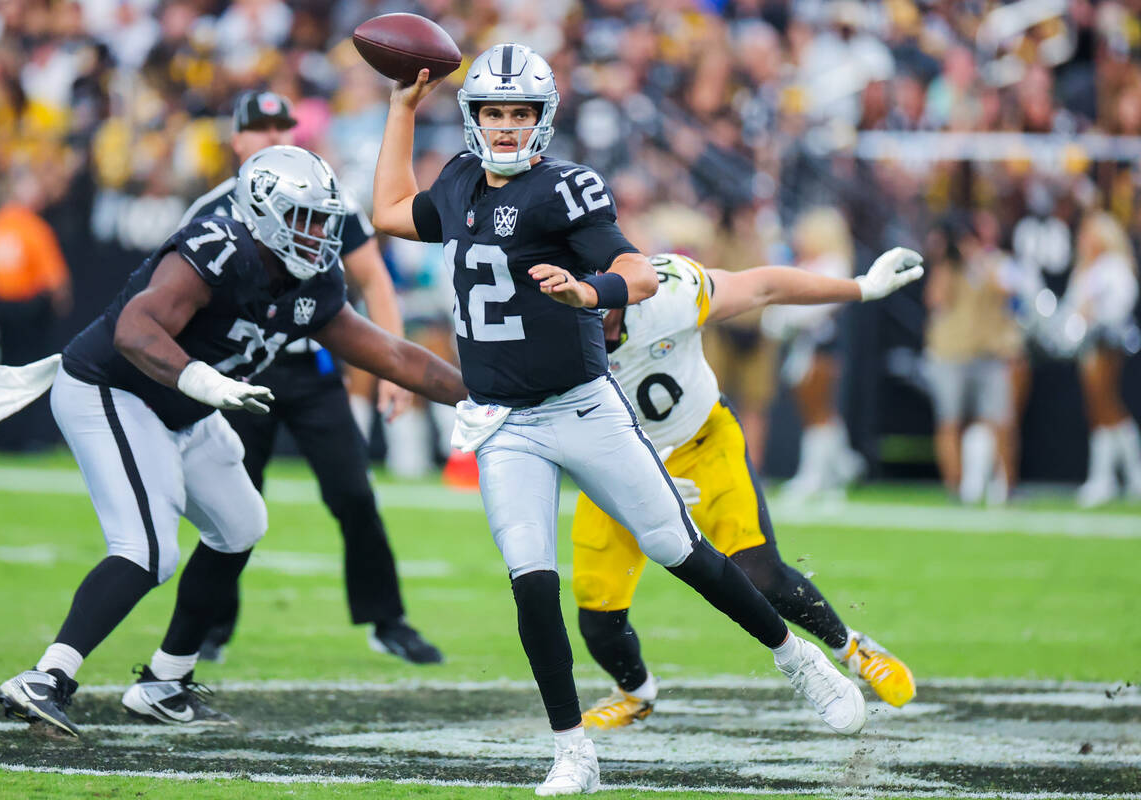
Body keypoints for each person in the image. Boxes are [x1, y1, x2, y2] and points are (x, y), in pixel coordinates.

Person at [372, 43, 869, 796]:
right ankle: (574, 750)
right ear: (473, 116)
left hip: (581, 406)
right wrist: (400, 111)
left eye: (521, 113)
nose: (506, 127)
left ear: (543, 118)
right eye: (494, 112)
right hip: (504, 422)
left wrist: (591, 293)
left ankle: (798, 660)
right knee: (531, 580)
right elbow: (385, 212)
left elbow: (636, 267)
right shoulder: (459, 180)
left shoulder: (562, 190)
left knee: (682, 548)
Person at [0, 145, 466, 737]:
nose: (318, 234)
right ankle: (45, 678)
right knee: (147, 550)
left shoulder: (314, 280)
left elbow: (391, 354)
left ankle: (166, 681)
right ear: (261, 211)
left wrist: (484, 394)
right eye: (304, 218)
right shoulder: (218, 248)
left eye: (324, 220)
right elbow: (136, 326)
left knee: (241, 525)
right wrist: (201, 378)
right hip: (113, 391)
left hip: (187, 405)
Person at [575, 252, 921, 730]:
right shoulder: (547, 333)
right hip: (616, 463)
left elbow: (760, 287)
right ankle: (635, 694)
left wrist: (858, 287)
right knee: (597, 614)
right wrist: (628, 476)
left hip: (700, 438)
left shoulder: (669, 293)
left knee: (757, 570)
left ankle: (853, 647)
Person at [179, 90, 441, 665]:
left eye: (283, 127)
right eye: (261, 128)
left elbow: (373, 279)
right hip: (239, 374)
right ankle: (208, 628)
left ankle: (386, 620)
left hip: (311, 367)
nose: (274, 137)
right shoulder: (211, 209)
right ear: (237, 140)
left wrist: (392, 370)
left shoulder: (328, 197)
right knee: (230, 505)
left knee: (353, 493)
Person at [761, 208, 865, 498]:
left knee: (818, 413)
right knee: (817, 412)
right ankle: (841, 469)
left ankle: (816, 476)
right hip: (804, 346)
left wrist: (781, 319)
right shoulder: (808, 263)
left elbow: (814, 308)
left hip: (821, 347)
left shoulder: (833, 264)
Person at [923, 215, 1023, 505]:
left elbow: (1009, 292)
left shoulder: (998, 263)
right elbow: (936, 300)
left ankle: (1006, 485)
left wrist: (980, 261)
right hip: (950, 353)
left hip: (989, 353)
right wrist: (944, 260)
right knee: (949, 421)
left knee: (1002, 420)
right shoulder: (947, 267)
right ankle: (954, 487)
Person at [0, 165, 73, 451]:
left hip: (2, 309)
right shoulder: (32, 227)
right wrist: (58, 306)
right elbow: (57, 281)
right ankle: (30, 437)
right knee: (32, 374)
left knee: (4, 371)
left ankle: (1, 437)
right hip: (30, 310)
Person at [1053, 211, 1141, 505]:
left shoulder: (1114, 267)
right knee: (1099, 410)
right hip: (1087, 345)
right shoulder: (1085, 270)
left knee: (1107, 406)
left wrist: (1095, 314)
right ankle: (1113, 477)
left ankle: (1124, 476)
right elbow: (1071, 307)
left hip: (1107, 343)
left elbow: (1121, 303)